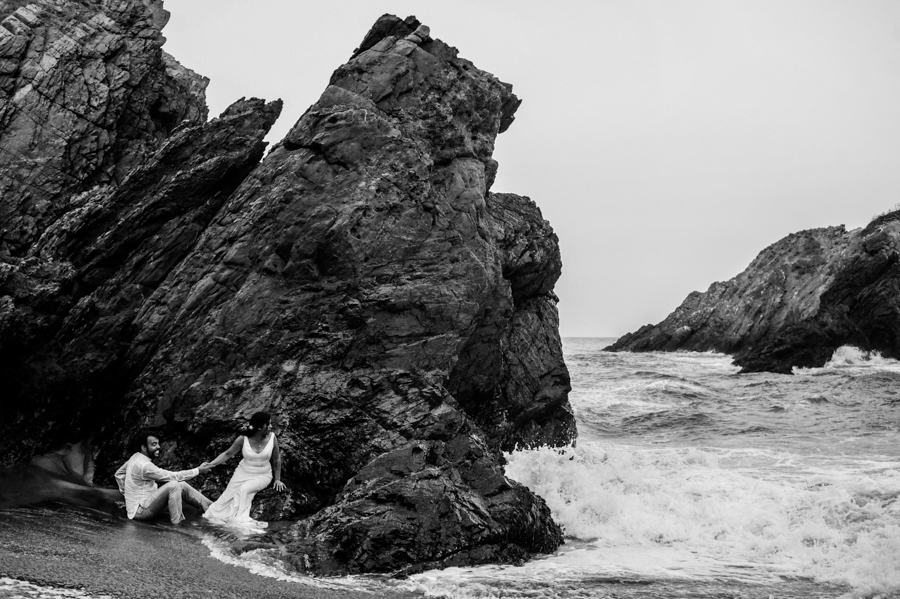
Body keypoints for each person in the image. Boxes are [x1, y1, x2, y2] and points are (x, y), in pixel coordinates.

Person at [202, 412, 286, 530]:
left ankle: (235, 520)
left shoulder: (272, 438)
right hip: (242, 472)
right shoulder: (243, 439)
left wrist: (277, 479)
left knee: (244, 489)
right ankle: (222, 521)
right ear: (260, 427)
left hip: (263, 475)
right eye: (269, 424)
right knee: (225, 499)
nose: (271, 426)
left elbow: (277, 459)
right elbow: (227, 454)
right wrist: (211, 464)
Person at [114, 431, 213, 524]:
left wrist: (128, 496)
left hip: (143, 505)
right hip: (141, 512)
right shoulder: (144, 466)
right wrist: (198, 470)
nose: (158, 447)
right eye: (154, 444)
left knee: (181, 485)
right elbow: (173, 476)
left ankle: (212, 508)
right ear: (144, 448)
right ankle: (177, 523)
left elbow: (118, 474)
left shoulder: (135, 457)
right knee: (174, 485)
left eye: (158, 443)